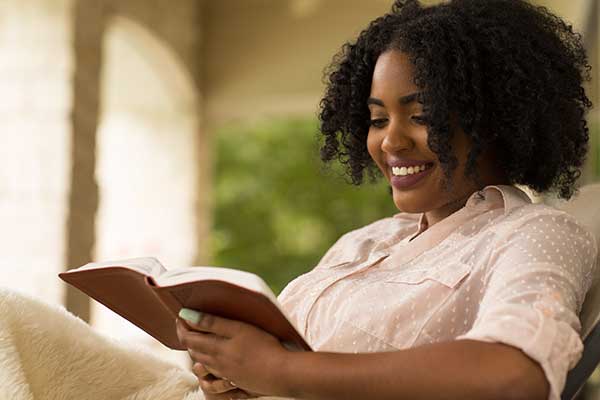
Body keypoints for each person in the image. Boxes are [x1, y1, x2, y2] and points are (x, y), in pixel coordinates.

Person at [175, 0, 598, 400]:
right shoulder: (363, 243)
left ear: (494, 120)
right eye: (378, 120)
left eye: (421, 116)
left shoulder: (534, 233)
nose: (391, 141)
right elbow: (283, 360)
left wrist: (278, 372)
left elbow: (516, 374)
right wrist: (233, 375)